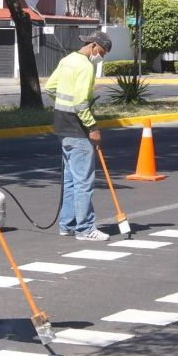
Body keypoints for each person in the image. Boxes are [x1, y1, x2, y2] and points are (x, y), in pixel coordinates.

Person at [44, 31, 112, 241]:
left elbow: (50, 88)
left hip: (62, 127)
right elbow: (81, 103)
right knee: (83, 181)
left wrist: (65, 105)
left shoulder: (67, 60)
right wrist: (92, 127)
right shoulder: (85, 66)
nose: (101, 57)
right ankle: (85, 228)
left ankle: (68, 224)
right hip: (78, 129)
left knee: (71, 180)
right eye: (101, 52)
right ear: (93, 46)